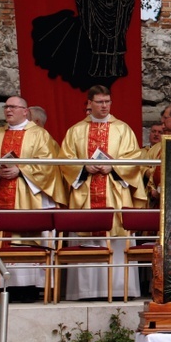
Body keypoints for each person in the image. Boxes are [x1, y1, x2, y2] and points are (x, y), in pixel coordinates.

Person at [59, 85, 146, 300]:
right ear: (89, 103)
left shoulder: (122, 129)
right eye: (99, 102)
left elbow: (135, 157)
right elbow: (64, 160)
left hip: (113, 190)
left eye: (107, 101)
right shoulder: (76, 131)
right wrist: (83, 167)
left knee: (115, 236)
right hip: (86, 191)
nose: (104, 106)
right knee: (87, 236)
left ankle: (118, 290)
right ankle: (85, 291)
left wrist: (114, 167)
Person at [0, 96, 67, 302]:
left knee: (25, 235)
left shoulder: (40, 135)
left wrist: (21, 169)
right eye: (6, 107)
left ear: (25, 110)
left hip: (27, 194)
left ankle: (26, 288)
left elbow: (49, 165)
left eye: (13, 107)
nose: (8, 110)